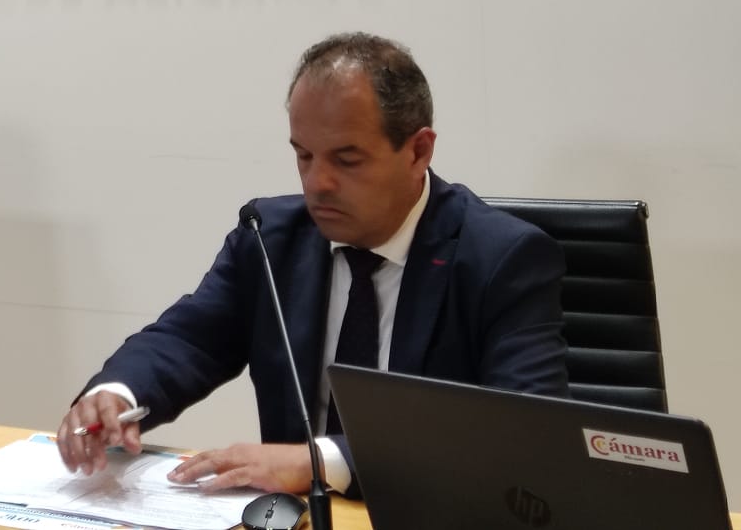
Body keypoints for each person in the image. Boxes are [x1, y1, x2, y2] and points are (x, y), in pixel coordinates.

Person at [57, 32, 567, 495]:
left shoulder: (501, 258)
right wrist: (117, 394)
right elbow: (188, 339)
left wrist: (321, 461)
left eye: (346, 160)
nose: (317, 183)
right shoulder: (271, 239)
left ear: (418, 151)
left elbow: (524, 434)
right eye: (304, 156)